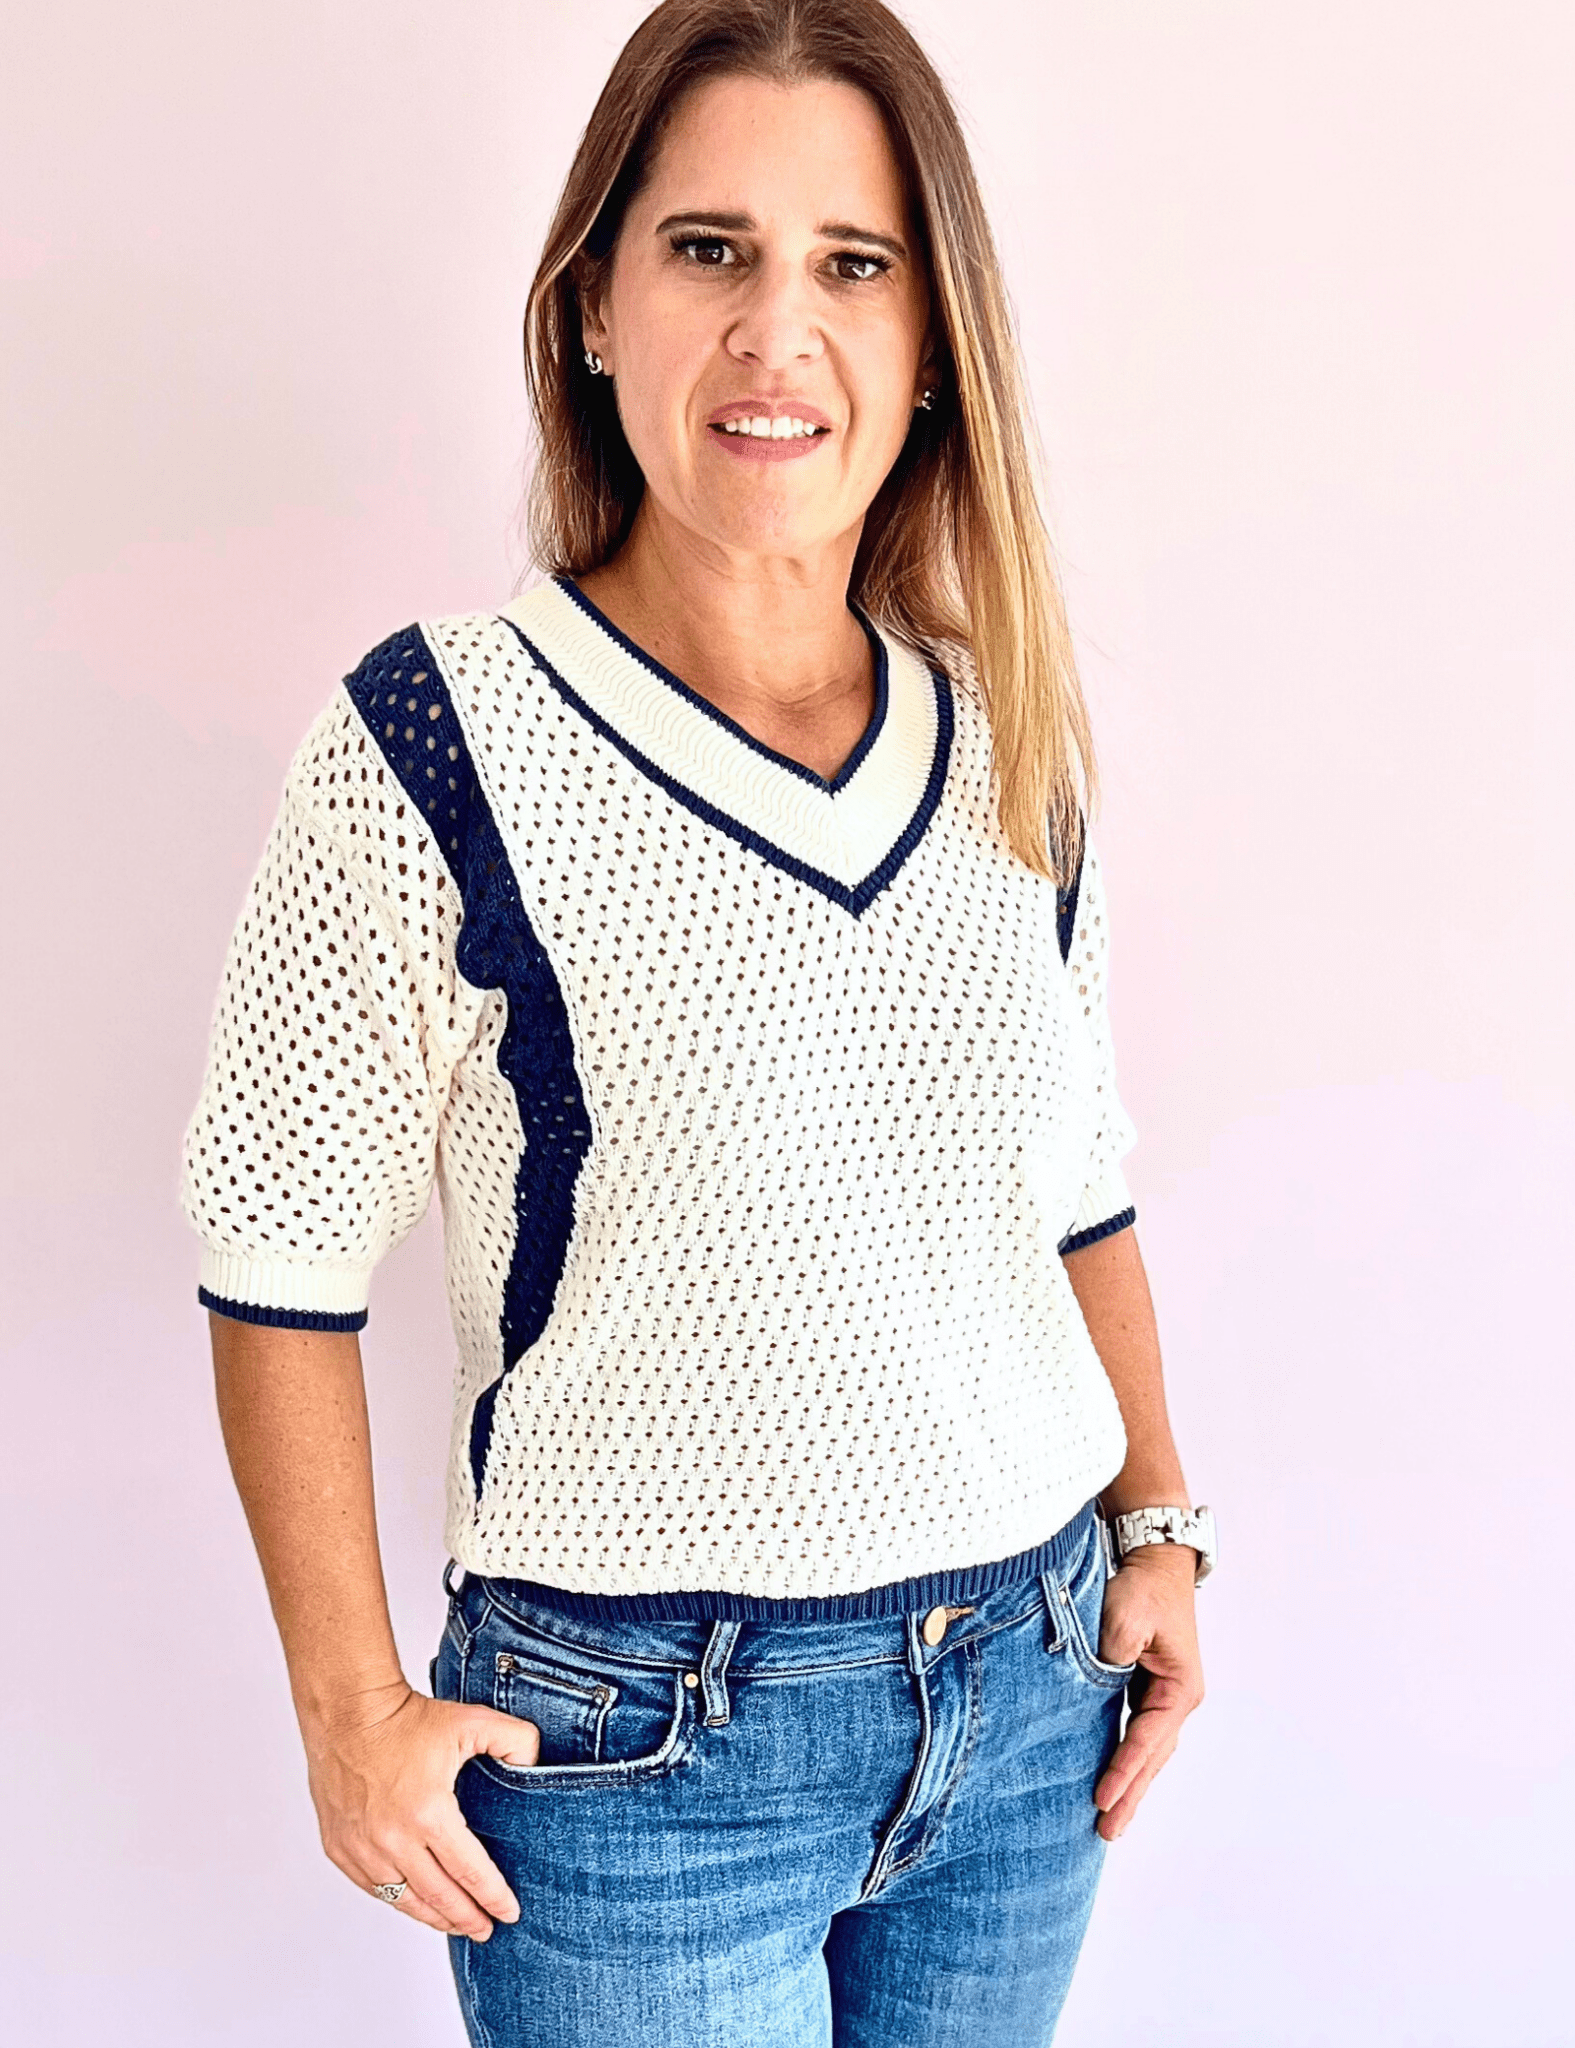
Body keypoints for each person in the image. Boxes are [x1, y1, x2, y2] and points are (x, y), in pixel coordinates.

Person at [181, 2, 1213, 2040]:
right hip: (633, 1758)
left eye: (854, 263)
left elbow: (1071, 1180)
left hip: (1032, 1698)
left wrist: (1158, 1523)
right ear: (592, 305)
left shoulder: (1005, 736)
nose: (776, 333)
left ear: (932, 343)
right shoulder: (434, 742)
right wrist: (346, 1708)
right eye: (708, 248)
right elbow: (273, 1257)